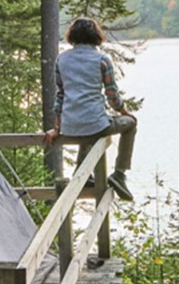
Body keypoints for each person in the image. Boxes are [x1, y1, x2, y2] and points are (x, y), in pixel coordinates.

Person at [45, 17, 136, 201]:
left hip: (70, 125)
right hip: (95, 123)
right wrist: (124, 112)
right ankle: (119, 173)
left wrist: (56, 128)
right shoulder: (102, 60)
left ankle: (84, 175)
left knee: (87, 127)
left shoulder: (61, 59)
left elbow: (60, 95)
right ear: (96, 36)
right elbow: (112, 95)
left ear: (72, 36)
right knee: (130, 124)